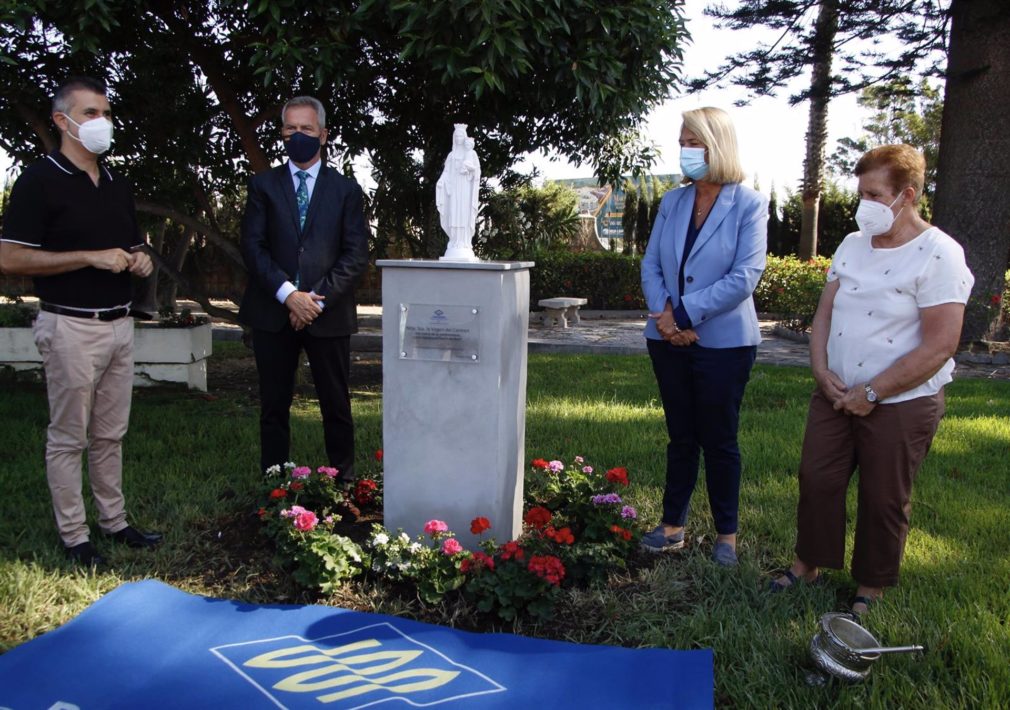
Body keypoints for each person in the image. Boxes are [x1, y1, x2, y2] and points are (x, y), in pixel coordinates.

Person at [771, 144, 974, 614]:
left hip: (901, 401)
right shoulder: (852, 244)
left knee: (884, 496)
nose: (863, 203)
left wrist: (874, 391)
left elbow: (940, 344)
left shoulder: (939, 253)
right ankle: (809, 563)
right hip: (836, 391)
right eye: (859, 192)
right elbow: (826, 312)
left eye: (872, 194)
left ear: (906, 195)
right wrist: (821, 370)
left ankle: (871, 586)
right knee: (817, 478)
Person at [0, 76, 162, 566]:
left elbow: (133, 244)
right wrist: (88, 258)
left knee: (111, 433)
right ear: (62, 120)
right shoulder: (39, 180)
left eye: (106, 113)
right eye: (90, 113)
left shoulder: (115, 182)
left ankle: (115, 521)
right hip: (69, 326)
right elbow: (9, 259)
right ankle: (75, 536)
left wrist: (142, 259)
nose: (102, 123)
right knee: (70, 436)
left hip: (119, 325)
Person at [639, 107, 768, 566]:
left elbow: (745, 276)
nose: (685, 151)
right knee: (681, 436)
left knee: (719, 439)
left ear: (718, 146)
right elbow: (651, 262)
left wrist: (687, 313)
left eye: (693, 142)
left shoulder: (748, 204)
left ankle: (726, 536)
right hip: (666, 337)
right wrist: (665, 318)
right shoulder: (673, 202)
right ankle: (672, 525)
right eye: (682, 141)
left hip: (725, 343)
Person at [239, 95, 369, 478]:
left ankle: (343, 480)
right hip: (272, 310)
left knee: (336, 403)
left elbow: (355, 255)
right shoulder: (262, 186)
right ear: (282, 133)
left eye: (306, 129)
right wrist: (289, 296)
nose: (298, 135)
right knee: (274, 404)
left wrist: (312, 302)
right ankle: (275, 481)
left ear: (323, 134)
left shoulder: (346, 190)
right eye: (291, 128)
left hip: (328, 314)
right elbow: (253, 247)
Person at [435, 124, 480, 259]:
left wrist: (470, 170)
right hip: (454, 188)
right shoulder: (451, 155)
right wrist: (441, 181)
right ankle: (454, 241)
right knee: (454, 213)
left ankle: (464, 242)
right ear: (454, 138)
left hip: (465, 187)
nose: (459, 138)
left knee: (464, 214)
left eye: (461, 135)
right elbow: (446, 172)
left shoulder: (471, 153)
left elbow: (477, 171)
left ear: (465, 137)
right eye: (457, 136)